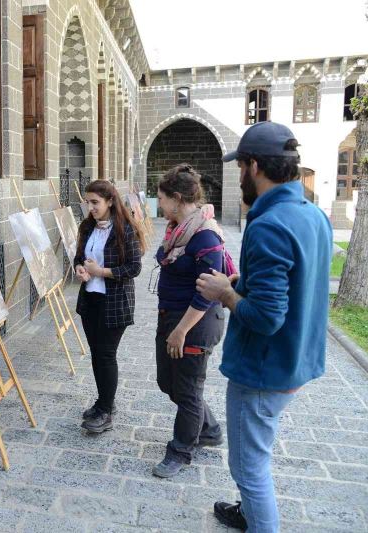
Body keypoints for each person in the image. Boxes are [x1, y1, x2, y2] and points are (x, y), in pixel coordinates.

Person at [197, 122, 332, 532]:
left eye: (240, 166)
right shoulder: (313, 214)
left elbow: (268, 317)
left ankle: (260, 522)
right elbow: (294, 286)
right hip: (295, 362)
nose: (239, 175)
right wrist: (244, 284)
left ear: (254, 166)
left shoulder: (269, 224)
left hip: (263, 370)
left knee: (249, 468)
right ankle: (248, 513)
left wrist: (225, 292)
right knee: (257, 453)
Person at [151, 163, 229, 479]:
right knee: (167, 383)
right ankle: (208, 429)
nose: (159, 205)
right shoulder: (176, 231)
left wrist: (182, 330)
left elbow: (208, 292)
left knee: (187, 389)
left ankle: (181, 450)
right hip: (170, 317)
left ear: (178, 198)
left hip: (196, 324)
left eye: (162, 198)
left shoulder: (205, 235)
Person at [74, 179, 146, 433]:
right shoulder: (87, 227)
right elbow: (79, 257)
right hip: (90, 300)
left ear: (110, 201)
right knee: (97, 354)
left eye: (95, 202)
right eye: (88, 202)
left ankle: (105, 411)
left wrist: (101, 271)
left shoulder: (125, 229)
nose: (91, 207)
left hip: (114, 302)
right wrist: (81, 269)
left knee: (106, 355)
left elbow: (134, 268)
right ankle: (104, 401)